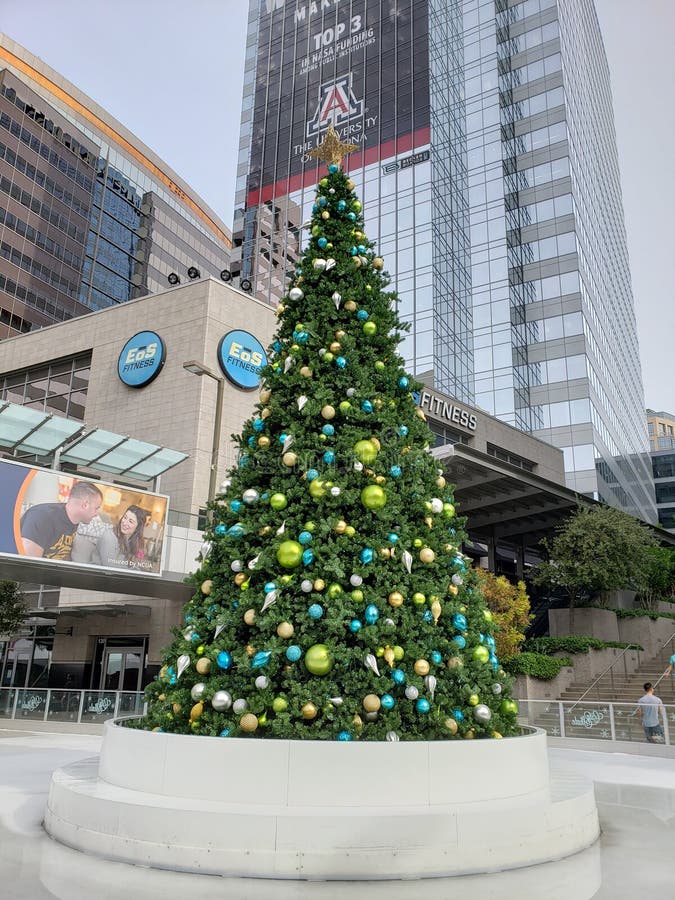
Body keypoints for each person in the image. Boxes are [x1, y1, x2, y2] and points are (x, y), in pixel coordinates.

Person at [20, 481, 103, 560]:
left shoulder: (74, 520)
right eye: (96, 508)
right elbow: (29, 564)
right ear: (85, 505)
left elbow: (62, 553)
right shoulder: (41, 517)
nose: (96, 514)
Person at [89, 504, 149, 569]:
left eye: (130, 521)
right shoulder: (109, 537)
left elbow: (139, 563)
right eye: (125, 517)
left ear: (138, 527)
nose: (125, 523)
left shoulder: (129, 540)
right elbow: (110, 567)